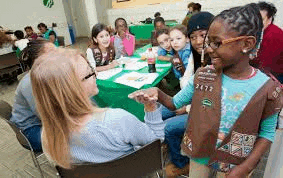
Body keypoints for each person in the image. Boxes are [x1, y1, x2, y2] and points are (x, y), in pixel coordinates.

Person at [129, 3, 282, 178]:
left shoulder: (267, 89)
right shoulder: (203, 76)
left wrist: (246, 167)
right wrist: (158, 93)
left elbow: (267, 132)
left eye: (217, 43)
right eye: (209, 42)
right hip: (200, 153)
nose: (208, 48)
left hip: (236, 162)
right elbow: (174, 103)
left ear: (247, 44)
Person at [30, 48, 165, 169]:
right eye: (90, 73)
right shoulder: (115, 120)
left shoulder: (48, 135)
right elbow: (157, 142)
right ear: (73, 90)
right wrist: (150, 107)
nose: (96, 74)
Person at [162, 12, 214, 178]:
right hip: (193, 102)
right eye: (193, 37)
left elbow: (213, 101)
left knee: (168, 127)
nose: (198, 41)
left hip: (208, 113)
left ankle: (182, 164)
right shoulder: (195, 55)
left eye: (203, 35)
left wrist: (186, 108)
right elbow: (187, 86)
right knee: (160, 112)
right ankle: (174, 151)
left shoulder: (217, 58)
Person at [10, 40, 55, 152]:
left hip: (39, 122)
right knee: (74, 135)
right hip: (31, 131)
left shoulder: (45, 74)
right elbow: (45, 115)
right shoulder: (30, 83)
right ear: (37, 60)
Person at [250, 2, 283, 83]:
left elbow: (266, 66)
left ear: (270, 18)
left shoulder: (273, 34)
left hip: (275, 75)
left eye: (261, 19)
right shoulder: (260, 31)